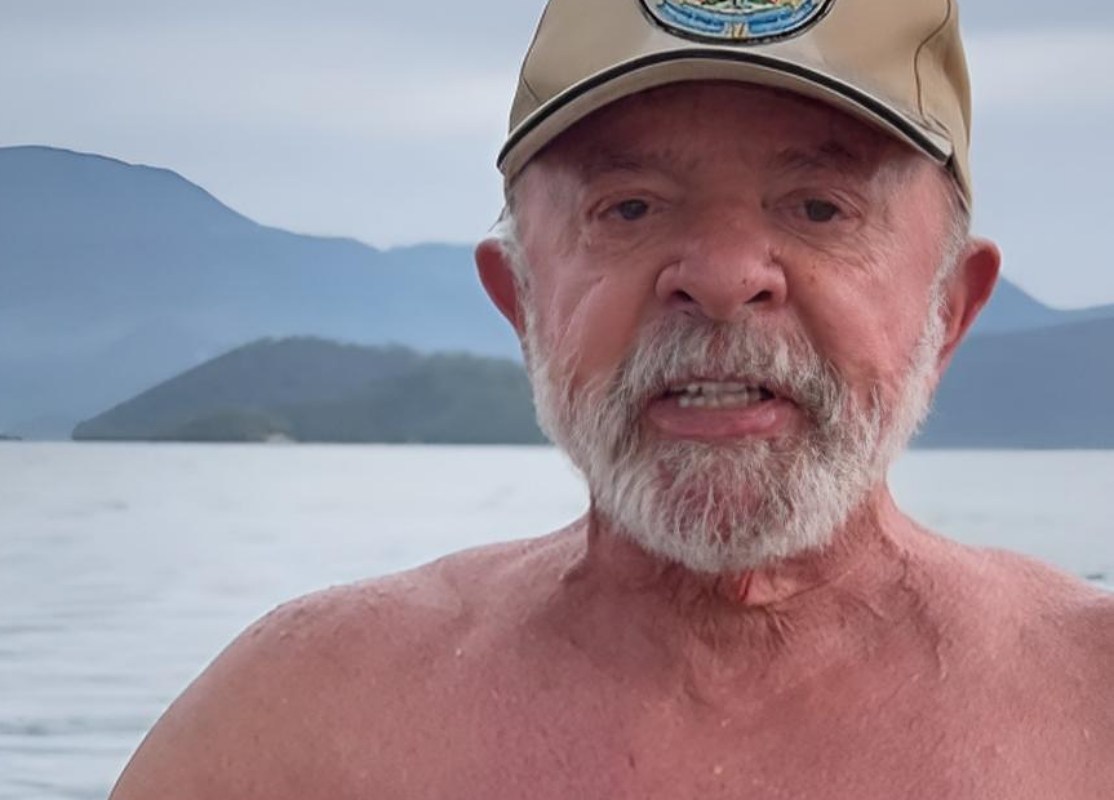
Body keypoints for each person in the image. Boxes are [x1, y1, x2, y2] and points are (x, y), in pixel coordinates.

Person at [111, 0, 1114, 797]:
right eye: (628, 207)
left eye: (819, 207)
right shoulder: (304, 727)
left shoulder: (1092, 706)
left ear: (948, 307)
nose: (722, 277)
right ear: (521, 302)